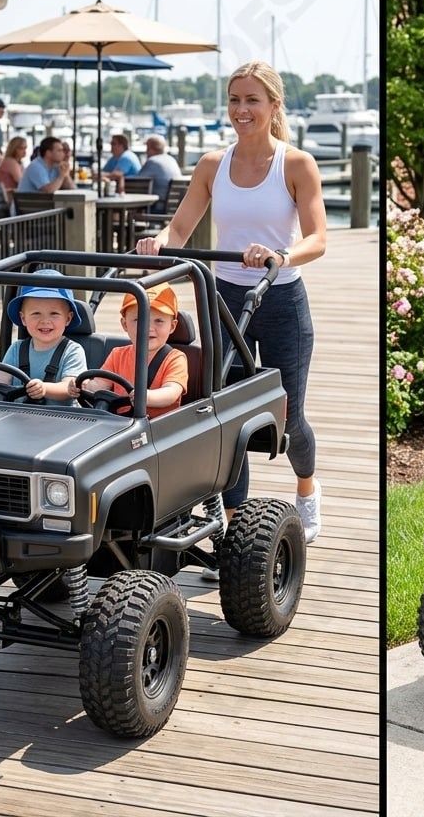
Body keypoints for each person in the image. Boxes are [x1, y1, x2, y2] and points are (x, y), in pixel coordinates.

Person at [136, 59, 327, 549]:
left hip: (280, 298)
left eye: (252, 101)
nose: (242, 110)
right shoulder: (211, 165)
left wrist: (281, 255)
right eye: (234, 100)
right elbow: (180, 228)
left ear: (274, 106)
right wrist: (159, 242)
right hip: (222, 300)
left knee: (289, 417)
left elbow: (318, 239)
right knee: (226, 413)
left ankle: (307, 490)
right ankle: (234, 524)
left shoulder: (296, 164)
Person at [0, 269, 86, 406]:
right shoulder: (17, 349)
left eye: (54, 313)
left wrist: (44, 389)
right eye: (36, 313)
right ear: (23, 319)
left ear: (68, 318)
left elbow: (69, 388)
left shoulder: (73, 351)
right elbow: (1, 380)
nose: (45, 321)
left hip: (62, 416)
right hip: (19, 414)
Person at [67, 282, 188, 418]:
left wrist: (146, 397)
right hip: (121, 424)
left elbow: (171, 392)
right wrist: (82, 387)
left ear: (172, 326)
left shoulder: (175, 359)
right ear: (125, 324)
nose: (148, 327)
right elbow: (99, 385)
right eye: (139, 319)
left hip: (159, 426)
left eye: (158, 321)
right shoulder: (117, 355)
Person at [135, 134, 183, 212]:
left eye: (147, 148)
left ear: (150, 148)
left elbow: (136, 182)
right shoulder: (171, 160)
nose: (146, 151)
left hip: (158, 207)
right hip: (174, 207)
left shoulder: (153, 161)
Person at [0, 136, 28, 204]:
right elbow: (22, 182)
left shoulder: (18, 162)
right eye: (21, 148)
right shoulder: (10, 162)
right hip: (10, 199)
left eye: (25, 148)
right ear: (14, 149)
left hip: (15, 197)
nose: (25, 151)